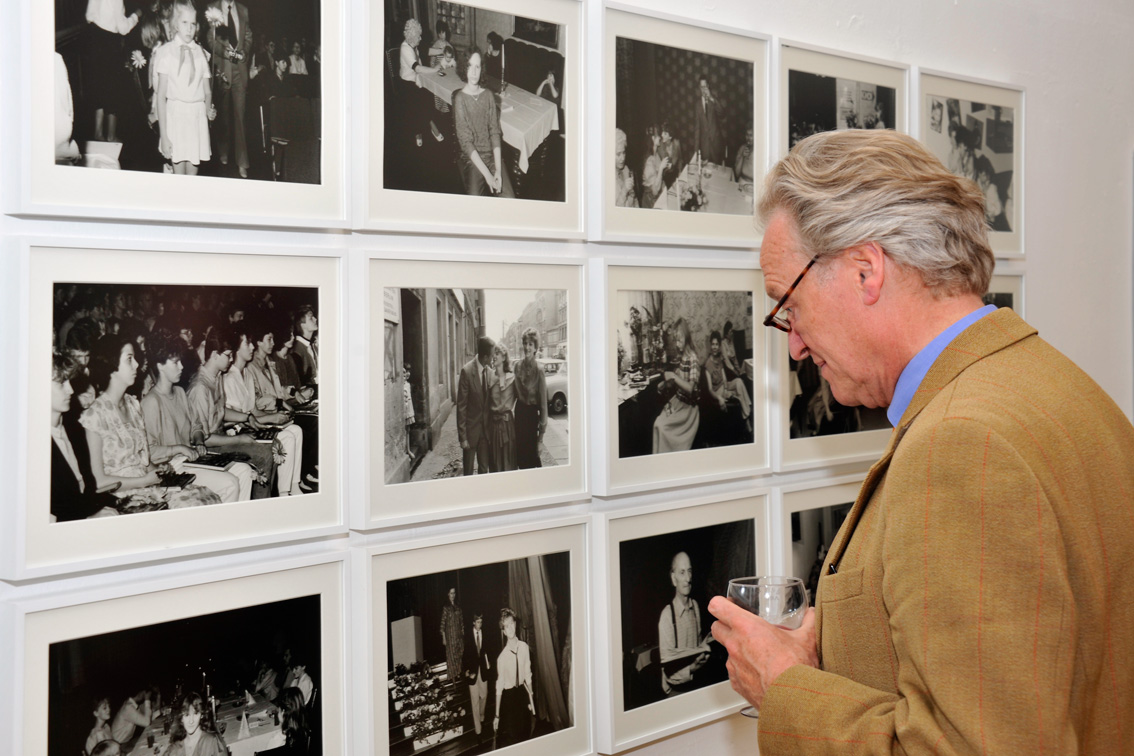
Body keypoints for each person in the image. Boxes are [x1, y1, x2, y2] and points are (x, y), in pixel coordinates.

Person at [708, 129, 1134, 754]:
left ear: (865, 270)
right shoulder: (1064, 387)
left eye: (787, 307)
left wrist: (785, 690)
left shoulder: (963, 445)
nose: (793, 344)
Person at [81, 335, 221, 510]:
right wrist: (145, 480)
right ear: (111, 365)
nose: (137, 365)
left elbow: (144, 461)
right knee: (195, 505)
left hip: (147, 486)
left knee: (207, 498)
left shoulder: (132, 405)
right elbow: (98, 481)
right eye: (129, 359)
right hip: (121, 497)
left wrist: (161, 469)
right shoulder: (95, 415)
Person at [141, 331, 248, 502]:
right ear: (160, 366)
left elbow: (196, 426)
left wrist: (198, 441)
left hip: (189, 459)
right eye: (176, 363)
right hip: (173, 467)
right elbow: (149, 452)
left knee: (244, 471)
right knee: (230, 483)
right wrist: (179, 448)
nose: (181, 367)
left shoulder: (180, 393)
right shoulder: (151, 402)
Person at [186, 328, 278, 499]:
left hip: (221, 438)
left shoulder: (217, 376)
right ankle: (259, 507)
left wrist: (246, 417)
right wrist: (238, 439)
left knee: (269, 444)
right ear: (214, 354)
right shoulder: (200, 387)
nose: (231, 359)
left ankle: (264, 499)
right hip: (209, 447)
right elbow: (204, 438)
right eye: (228, 355)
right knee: (263, 453)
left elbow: (219, 411)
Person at [223, 326, 303, 496]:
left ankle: (292, 487)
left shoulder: (247, 375)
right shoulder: (230, 378)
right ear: (237, 349)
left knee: (295, 430)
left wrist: (274, 417)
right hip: (239, 432)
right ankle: (282, 493)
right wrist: (271, 419)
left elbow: (255, 411)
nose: (252, 347)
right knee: (287, 436)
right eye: (248, 344)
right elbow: (239, 420)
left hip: (252, 426)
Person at [51, 354, 120, 521]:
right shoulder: (27, 444)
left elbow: (87, 492)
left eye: (69, 382)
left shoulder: (74, 428)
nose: (71, 390)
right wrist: (87, 520)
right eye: (61, 383)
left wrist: (123, 503)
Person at [153, 2, 215, 175]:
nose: (189, 28)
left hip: (196, 119)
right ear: (175, 24)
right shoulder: (167, 53)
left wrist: (209, 110)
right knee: (178, 179)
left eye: (193, 23)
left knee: (192, 180)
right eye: (184, 23)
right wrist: (164, 136)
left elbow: (207, 92)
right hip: (176, 117)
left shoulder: (201, 54)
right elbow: (161, 97)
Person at [453, 50, 515, 198]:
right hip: (473, 159)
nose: (474, 72)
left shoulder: (488, 95)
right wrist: (488, 175)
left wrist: (498, 171)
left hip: (492, 157)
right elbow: (466, 142)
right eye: (470, 66)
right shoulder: (460, 99)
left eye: (478, 66)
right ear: (464, 68)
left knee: (510, 198)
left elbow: (495, 132)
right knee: (475, 200)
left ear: (482, 70)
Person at [206, 0, 253, 178]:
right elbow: (210, 40)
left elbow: (248, 36)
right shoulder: (213, 9)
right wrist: (224, 52)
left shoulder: (243, 10)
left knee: (240, 115)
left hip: (239, 69)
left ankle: (242, 162)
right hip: (222, 69)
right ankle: (223, 149)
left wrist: (245, 52)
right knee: (223, 114)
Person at [84, 0, 141, 142]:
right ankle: (110, 135)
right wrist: (136, 15)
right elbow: (123, 28)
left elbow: (89, 16)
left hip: (93, 38)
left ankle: (98, 134)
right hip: (109, 42)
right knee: (113, 89)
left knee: (98, 87)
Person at [659, 551, 711, 696]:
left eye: (689, 571)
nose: (688, 578)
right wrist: (692, 668)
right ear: (673, 578)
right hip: (676, 691)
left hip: (697, 685)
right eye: (682, 573)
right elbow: (669, 670)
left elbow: (697, 647)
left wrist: (704, 649)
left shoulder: (695, 606)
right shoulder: (667, 616)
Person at [651, 317, 699, 453]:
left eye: (679, 340)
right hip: (678, 402)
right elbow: (678, 379)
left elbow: (690, 388)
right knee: (657, 423)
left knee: (661, 426)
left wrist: (672, 376)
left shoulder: (693, 359)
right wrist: (665, 384)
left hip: (688, 409)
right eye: (675, 340)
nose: (677, 344)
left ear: (687, 337)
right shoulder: (682, 357)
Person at [397, 18, 444, 146]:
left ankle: (429, 125)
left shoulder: (414, 45)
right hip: (407, 85)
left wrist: (441, 51)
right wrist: (434, 70)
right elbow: (416, 68)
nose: (421, 38)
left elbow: (427, 51)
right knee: (419, 105)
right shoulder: (405, 48)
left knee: (426, 100)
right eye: (419, 36)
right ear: (412, 36)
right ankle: (424, 130)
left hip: (417, 80)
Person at [493, 608, 534, 748]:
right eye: (506, 626)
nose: (510, 628)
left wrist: (531, 699)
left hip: (523, 694)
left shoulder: (524, 648)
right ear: (503, 631)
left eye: (512, 623)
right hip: (509, 699)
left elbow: (528, 675)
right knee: (513, 738)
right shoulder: (502, 658)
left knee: (525, 735)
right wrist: (497, 715)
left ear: (515, 624)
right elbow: (499, 688)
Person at [456, 336, 496, 475]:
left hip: (485, 433)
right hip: (470, 433)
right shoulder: (466, 372)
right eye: (492, 355)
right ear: (485, 356)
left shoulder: (490, 372)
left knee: (484, 469)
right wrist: (463, 437)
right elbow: (461, 407)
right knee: (468, 471)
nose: (493, 358)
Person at [512, 328, 548, 469]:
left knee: (533, 460)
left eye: (531, 344)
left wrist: (541, 439)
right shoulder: (517, 366)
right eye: (525, 343)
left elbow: (544, 406)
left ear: (535, 348)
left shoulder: (539, 370)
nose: (527, 347)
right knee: (520, 460)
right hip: (519, 414)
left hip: (532, 417)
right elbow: (512, 393)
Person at [703, 329, 751, 432]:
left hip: (723, 386)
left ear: (719, 345)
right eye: (713, 344)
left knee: (738, 381)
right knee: (738, 394)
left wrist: (725, 387)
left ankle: (746, 410)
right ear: (710, 346)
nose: (714, 347)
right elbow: (710, 389)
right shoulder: (707, 364)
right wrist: (720, 397)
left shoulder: (719, 358)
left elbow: (724, 376)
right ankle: (747, 417)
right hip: (717, 391)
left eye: (716, 344)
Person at [463, 612, 493, 741]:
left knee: (484, 695)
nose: (480, 624)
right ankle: (478, 731)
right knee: (474, 701)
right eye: (478, 622)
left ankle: (482, 715)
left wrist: (489, 661)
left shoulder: (485, 633)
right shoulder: (467, 636)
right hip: (472, 673)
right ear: (473, 622)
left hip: (483, 672)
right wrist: (467, 671)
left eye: (481, 622)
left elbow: (488, 650)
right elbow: (464, 655)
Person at [488, 343, 517, 472]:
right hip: (494, 426)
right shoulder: (489, 378)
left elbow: (521, 398)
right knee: (495, 461)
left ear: (504, 357)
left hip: (507, 425)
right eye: (493, 353)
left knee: (508, 460)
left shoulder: (512, 379)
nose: (494, 356)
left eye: (497, 353)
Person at [692, 76, 724, 164]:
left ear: (708, 86)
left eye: (705, 87)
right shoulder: (697, 105)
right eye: (701, 87)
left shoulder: (714, 99)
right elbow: (697, 130)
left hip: (716, 145)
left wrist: (711, 98)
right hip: (704, 147)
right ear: (699, 87)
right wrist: (695, 152)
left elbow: (722, 113)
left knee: (717, 171)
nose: (703, 89)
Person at [640, 125, 671, 209]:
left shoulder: (656, 153)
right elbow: (655, 191)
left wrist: (665, 167)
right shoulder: (649, 161)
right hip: (651, 202)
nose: (661, 137)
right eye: (658, 136)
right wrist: (661, 168)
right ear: (653, 138)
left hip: (658, 195)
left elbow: (659, 175)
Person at [440, 587, 465, 685]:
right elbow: (442, 623)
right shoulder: (446, 608)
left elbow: (462, 622)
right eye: (451, 593)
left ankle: (458, 673)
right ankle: (453, 678)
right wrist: (443, 637)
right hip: (450, 637)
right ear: (448, 594)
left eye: (454, 593)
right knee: (452, 656)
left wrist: (462, 633)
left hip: (458, 636)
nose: (453, 595)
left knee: (460, 653)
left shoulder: (458, 607)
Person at [613, 128, 638, 207]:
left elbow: (634, 199)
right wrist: (624, 190)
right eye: (618, 154)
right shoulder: (606, 177)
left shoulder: (626, 169)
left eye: (624, 153)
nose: (623, 158)